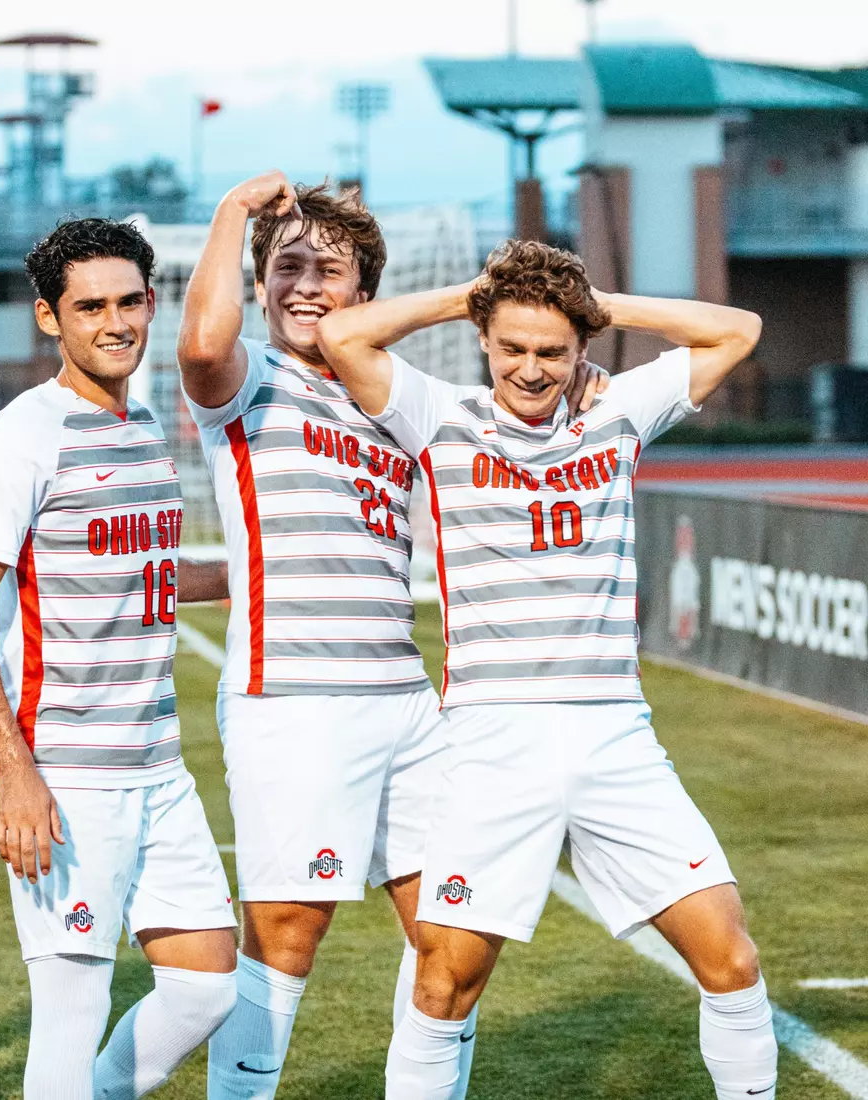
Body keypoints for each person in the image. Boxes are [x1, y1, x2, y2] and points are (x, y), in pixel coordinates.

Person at [178, 170, 607, 1097]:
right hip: (294, 701)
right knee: (290, 932)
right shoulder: (251, 377)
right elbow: (203, 342)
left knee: (454, 937)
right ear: (259, 287)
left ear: (364, 297)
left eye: (327, 273)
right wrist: (233, 216)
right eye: (285, 270)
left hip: (408, 705)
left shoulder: (395, 403)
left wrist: (584, 382)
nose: (303, 287)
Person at [317, 239, 776, 1100]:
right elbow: (347, 337)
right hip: (494, 739)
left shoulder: (622, 411)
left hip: (616, 735)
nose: (531, 370)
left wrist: (599, 306)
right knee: (445, 982)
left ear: (582, 351)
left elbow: (737, 330)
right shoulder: (438, 415)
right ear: (485, 344)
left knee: (732, 955)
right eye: (514, 348)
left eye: (553, 352)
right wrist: (475, 296)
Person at [0, 218, 237, 1099]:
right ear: (52, 320)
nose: (116, 322)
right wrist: (15, 774)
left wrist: (261, 573)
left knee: (208, 986)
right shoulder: (27, 433)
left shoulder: (137, 429)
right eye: (90, 306)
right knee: (72, 1009)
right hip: (64, 771)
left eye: (130, 301)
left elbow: (150, 574)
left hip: (157, 765)